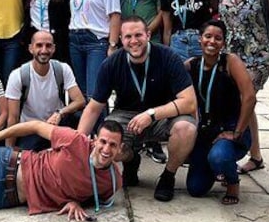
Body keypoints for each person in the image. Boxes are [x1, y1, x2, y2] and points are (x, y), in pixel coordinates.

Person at [78, 16, 198, 202]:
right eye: (128, 37)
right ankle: (130, 159)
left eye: (138, 35)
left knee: (187, 128)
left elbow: (189, 102)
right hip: (125, 115)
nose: (133, 41)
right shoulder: (111, 64)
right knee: (107, 140)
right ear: (120, 39)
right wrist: (76, 142)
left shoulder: (168, 57)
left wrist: (151, 114)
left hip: (163, 115)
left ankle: (168, 176)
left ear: (148, 35)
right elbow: (94, 107)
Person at [214, 0, 269, 174]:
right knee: (242, 104)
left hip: (257, 54)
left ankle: (235, 144)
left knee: (244, 99)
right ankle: (255, 155)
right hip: (231, 54)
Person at [185, 21, 256, 205]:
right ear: (200, 39)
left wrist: (237, 132)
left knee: (219, 157)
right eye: (208, 36)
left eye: (218, 38)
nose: (212, 41)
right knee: (196, 188)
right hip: (206, 132)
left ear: (223, 42)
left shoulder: (230, 62)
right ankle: (217, 168)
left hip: (231, 129)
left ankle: (232, 181)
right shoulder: (192, 65)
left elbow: (249, 97)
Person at [6, 31, 86, 151]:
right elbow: (13, 117)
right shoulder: (18, 75)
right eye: (39, 45)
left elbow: (80, 101)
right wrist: (9, 150)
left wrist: (60, 113)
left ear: (53, 49)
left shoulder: (62, 69)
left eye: (48, 46)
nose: (44, 50)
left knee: (82, 117)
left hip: (56, 126)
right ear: (30, 48)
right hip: (31, 130)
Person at [68, 0, 121, 99]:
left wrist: (112, 45)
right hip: (75, 40)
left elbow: (115, 14)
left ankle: (99, 124)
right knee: (81, 93)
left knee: (95, 93)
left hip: (96, 41)